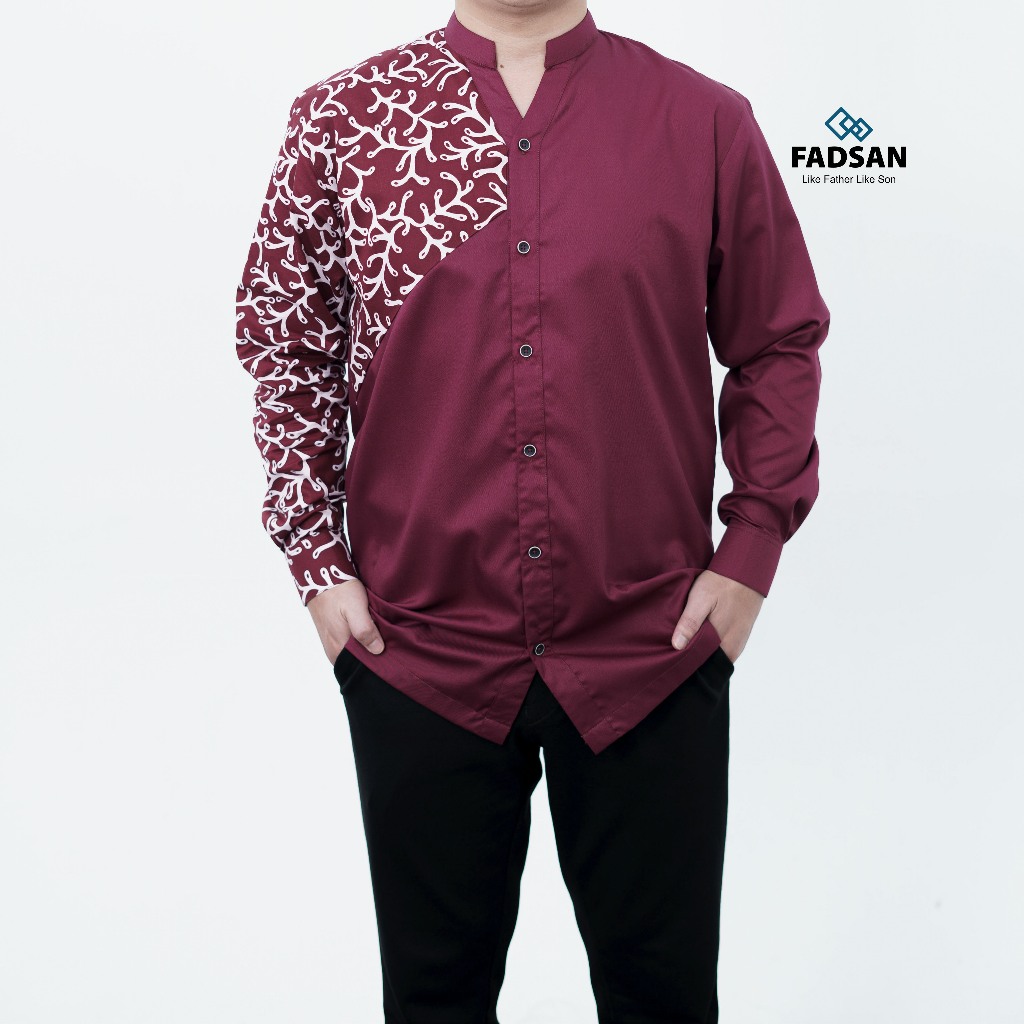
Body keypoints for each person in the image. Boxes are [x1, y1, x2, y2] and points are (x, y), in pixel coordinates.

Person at [234, 1, 830, 1020]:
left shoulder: (702, 120)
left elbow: (776, 339)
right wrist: (317, 564)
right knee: (435, 1003)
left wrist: (751, 547)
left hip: (651, 644)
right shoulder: (343, 119)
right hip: (418, 649)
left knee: (663, 1002)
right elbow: (287, 346)